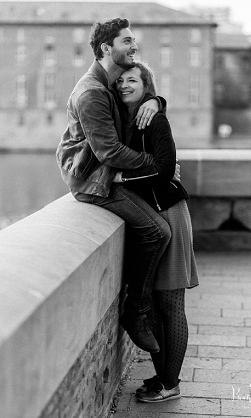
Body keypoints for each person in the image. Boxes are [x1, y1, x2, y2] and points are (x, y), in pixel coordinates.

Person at [56, 18, 170, 354]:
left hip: (107, 172)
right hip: (93, 180)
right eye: (127, 41)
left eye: (134, 41)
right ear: (107, 48)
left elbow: (140, 92)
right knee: (157, 232)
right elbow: (109, 152)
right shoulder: (92, 93)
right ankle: (134, 312)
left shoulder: (110, 82)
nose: (134, 47)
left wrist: (156, 101)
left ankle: (140, 306)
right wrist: (158, 166)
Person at [114, 61, 199, 403]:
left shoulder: (155, 118)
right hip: (152, 213)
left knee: (170, 303)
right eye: (119, 80)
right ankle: (164, 377)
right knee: (154, 305)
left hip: (170, 213)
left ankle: (171, 383)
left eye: (131, 80)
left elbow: (165, 170)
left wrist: (123, 180)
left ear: (145, 85)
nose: (124, 85)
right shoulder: (129, 117)